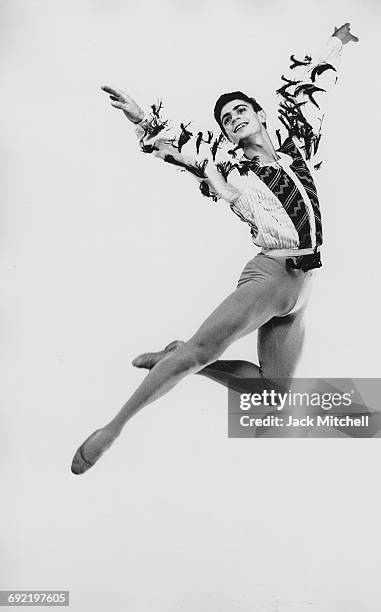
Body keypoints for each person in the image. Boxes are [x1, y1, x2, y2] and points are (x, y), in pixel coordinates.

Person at [71, 22, 359, 474]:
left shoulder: (297, 146)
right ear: (226, 134)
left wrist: (336, 43)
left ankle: (175, 354)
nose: (234, 118)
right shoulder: (226, 165)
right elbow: (178, 144)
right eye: (226, 120)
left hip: (304, 288)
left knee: (275, 394)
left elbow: (313, 87)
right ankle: (113, 428)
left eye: (241, 110)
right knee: (200, 352)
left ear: (261, 115)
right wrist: (141, 116)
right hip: (271, 276)